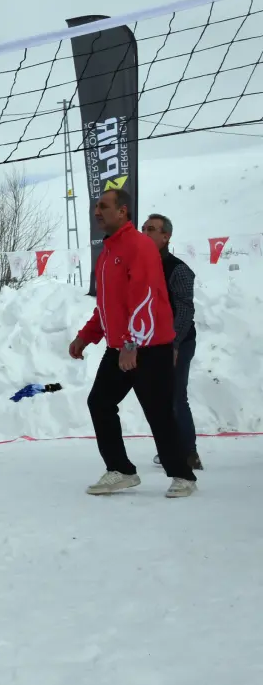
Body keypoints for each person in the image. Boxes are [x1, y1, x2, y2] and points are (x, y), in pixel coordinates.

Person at [69, 190, 197, 498]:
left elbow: (145, 297)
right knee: (100, 403)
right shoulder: (107, 252)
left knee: (159, 412)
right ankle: (121, 470)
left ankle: (183, 476)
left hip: (149, 348)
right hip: (121, 348)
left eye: (104, 206)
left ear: (123, 211)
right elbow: (109, 305)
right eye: (96, 206)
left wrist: (131, 343)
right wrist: (86, 336)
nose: (97, 211)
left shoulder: (139, 246)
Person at [141, 213, 202, 470]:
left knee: (176, 397)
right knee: (159, 398)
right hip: (152, 342)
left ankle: (188, 454)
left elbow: (185, 310)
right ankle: (170, 449)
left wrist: (174, 345)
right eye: (143, 228)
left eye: (151, 229)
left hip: (178, 342)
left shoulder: (178, 269)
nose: (145, 233)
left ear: (166, 237)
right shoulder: (142, 266)